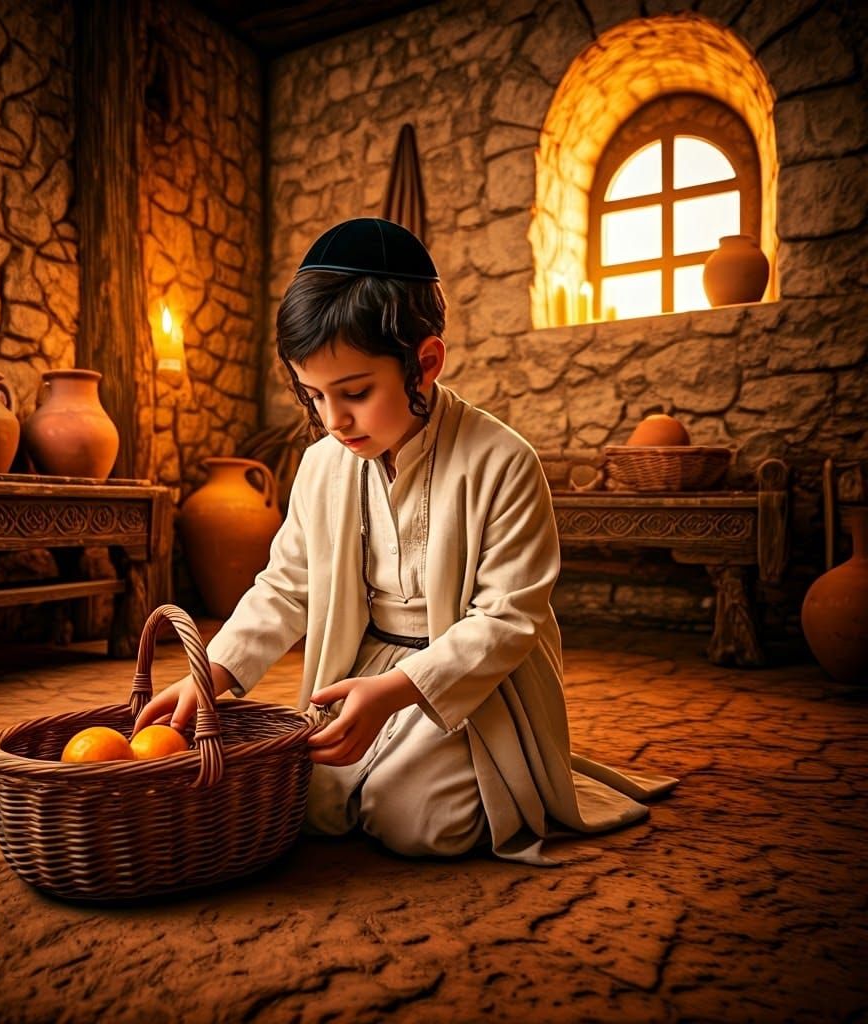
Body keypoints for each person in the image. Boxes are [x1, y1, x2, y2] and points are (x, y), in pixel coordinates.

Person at [134, 217, 676, 864]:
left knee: (420, 822)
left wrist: (396, 694)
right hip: (360, 668)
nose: (334, 421)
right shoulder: (322, 464)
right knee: (310, 799)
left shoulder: (503, 460)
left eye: (356, 393)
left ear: (425, 364)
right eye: (314, 398)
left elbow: (509, 620)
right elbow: (286, 586)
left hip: (464, 679)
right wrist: (213, 673)